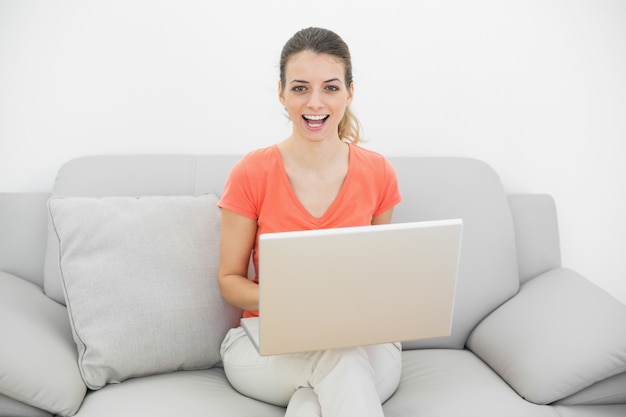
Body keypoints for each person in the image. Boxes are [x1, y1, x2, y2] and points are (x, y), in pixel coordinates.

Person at [217, 27, 402, 417]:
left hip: (363, 340)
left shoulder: (378, 172)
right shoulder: (251, 172)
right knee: (340, 365)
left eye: (330, 88)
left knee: (317, 393)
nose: (314, 102)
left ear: (350, 92)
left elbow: (384, 272)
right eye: (300, 88)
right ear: (281, 93)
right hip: (267, 340)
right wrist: (294, 300)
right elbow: (229, 282)